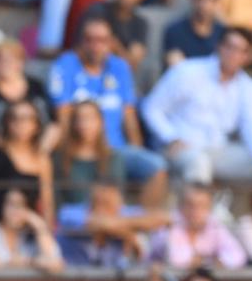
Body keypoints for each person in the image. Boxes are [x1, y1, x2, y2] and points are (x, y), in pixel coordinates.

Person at [141, 27, 252, 187]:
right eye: (229, 47)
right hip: (180, 146)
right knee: (199, 163)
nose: (232, 54)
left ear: (248, 56)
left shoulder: (247, 86)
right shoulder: (188, 71)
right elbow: (151, 108)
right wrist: (170, 137)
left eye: (240, 50)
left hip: (219, 149)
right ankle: (196, 212)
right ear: (219, 47)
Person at [49, 14, 166, 193]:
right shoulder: (65, 65)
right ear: (81, 42)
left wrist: (136, 147)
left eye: (102, 40)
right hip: (81, 151)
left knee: (157, 167)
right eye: (90, 40)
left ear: (111, 43)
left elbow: (129, 115)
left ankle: (141, 219)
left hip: (115, 149)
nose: (95, 46)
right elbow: (63, 116)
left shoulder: (120, 67)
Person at [0, 98, 55, 218]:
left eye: (28, 119)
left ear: (36, 125)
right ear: (7, 122)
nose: (21, 124)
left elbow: (47, 201)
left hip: (30, 222)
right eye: (15, 118)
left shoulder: (42, 159)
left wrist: (46, 231)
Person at [150, 183, 247, 267]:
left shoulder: (213, 224)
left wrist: (216, 261)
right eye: (190, 205)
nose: (195, 211)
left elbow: (238, 256)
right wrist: (209, 261)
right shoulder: (170, 223)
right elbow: (175, 260)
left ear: (209, 208)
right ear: (180, 206)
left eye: (201, 206)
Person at [0, 184, 66, 268]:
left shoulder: (28, 239)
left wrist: (38, 225)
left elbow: (55, 262)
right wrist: (12, 262)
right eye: (11, 204)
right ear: (1, 205)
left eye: (20, 205)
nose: (15, 211)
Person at [83, 0, 151, 70]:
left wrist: (115, 46)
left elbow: (131, 65)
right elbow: (84, 51)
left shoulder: (141, 24)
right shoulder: (96, 11)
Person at [0, 38, 55, 140]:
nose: (5, 64)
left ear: (21, 62)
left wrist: (40, 151)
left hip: (37, 146)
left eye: (10, 59)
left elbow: (53, 122)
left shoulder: (36, 86)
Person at [161, 0, 223, 67]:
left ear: (217, 2)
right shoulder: (175, 31)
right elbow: (176, 67)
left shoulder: (224, 34)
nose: (205, 5)